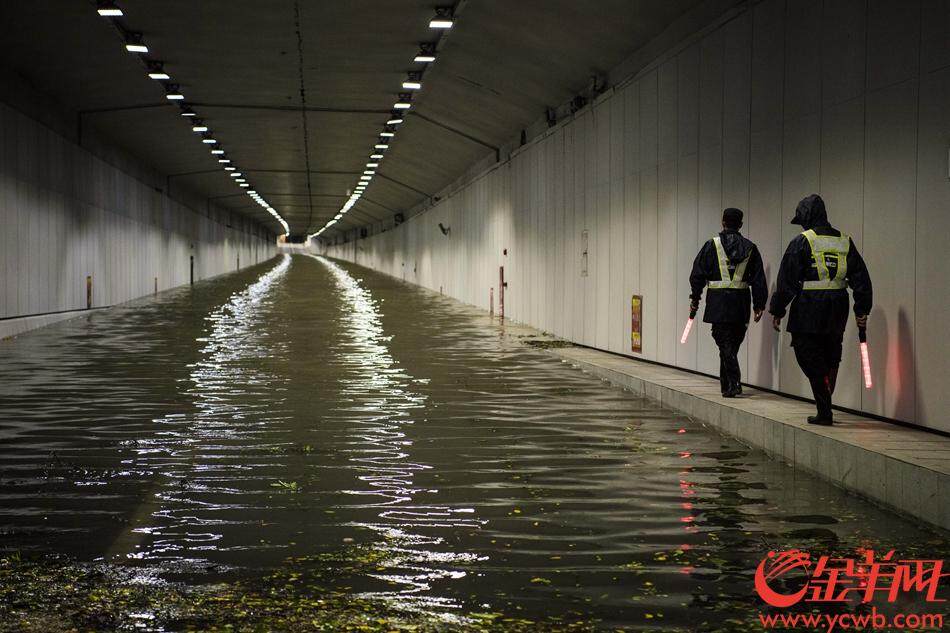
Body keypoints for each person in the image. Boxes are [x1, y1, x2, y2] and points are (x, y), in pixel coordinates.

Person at [769, 194, 872, 426]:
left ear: (806, 216)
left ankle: (824, 407)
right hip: (838, 306)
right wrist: (862, 308)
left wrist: (777, 309)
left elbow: (787, 279)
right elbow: (861, 278)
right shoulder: (845, 241)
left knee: (807, 352)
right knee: (831, 352)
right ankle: (825, 398)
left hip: (809, 306)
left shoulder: (802, 242)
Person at [689, 208, 768, 397]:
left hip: (718, 303)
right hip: (740, 304)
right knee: (731, 344)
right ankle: (728, 387)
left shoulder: (711, 246)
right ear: (740, 225)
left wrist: (695, 298)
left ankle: (734, 381)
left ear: (722, 222)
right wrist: (759, 304)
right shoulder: (750, 248)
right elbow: (759, 279)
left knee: (725, 344)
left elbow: (697, 275)